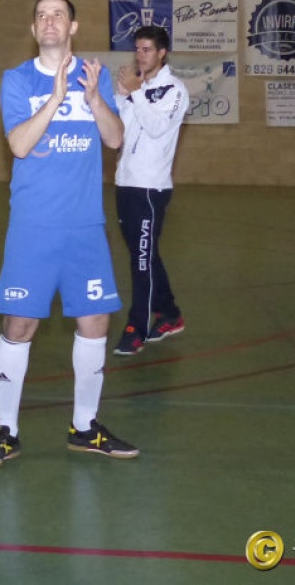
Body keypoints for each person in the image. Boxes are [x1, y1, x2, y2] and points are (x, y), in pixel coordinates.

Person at [0, 0, 137, 470]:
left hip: (84, 224)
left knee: (95, 323)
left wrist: (90, 98)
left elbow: (115, 138)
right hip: (34, 225)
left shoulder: (97, 75)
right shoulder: (16, 80)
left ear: (72, 27)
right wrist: (57, 98)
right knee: (20, 324)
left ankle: (85, 427)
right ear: (33, 29)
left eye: (58, 15)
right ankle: (7, 431)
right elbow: (20, 144)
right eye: (41, 14)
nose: (49, 21)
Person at [111, 24, 189, 356]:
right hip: (124, 183)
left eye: (146, 49)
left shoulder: (175, 89)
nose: (140, 55)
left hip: (150, 189)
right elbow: (119, 132)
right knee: (144, 256)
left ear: (161, 53)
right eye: (137, 49)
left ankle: (136, 327)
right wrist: (121, 96)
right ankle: (170, 314)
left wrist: (136, 93)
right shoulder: (134, 89)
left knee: (141, 261)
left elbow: (157, 128)